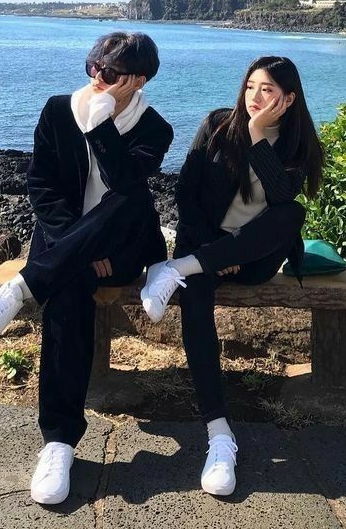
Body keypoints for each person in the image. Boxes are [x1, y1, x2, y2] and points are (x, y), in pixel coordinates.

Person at [0, 31, 173, 505]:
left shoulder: (154, 128)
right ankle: (59, 442)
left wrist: (102, 123)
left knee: (130, 195)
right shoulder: (59, 110)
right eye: (93, 68)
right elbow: (41, 184)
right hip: (64, 245)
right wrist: (74, 246)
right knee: (66, 292)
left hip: (121, 250)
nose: (97, 79)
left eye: (111, 74)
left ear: (138, 80)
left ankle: (20, 289)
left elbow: (127, 187)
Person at [140, 55, 323, 497]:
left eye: (268, 90)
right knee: (197, 309)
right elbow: (187, 190)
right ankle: (220, 434)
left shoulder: (299, 146)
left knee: (291, 214)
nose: (255, 98)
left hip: (253, 259)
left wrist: (259, 138)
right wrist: (211, 254)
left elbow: (282, 197)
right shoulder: (217, 125)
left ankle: (175, 270)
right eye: (250, 88)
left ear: (289, 98)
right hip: (205, 244)